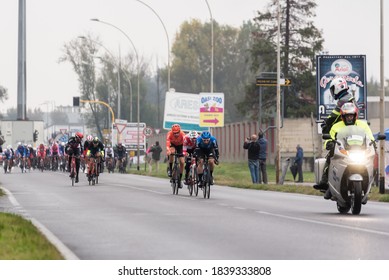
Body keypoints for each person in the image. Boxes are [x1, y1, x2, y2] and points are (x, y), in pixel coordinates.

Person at [314, 102, 375, 199]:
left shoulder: (363, 125)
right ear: (343, 116)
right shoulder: (336, 126)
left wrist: (373, 143)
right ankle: (326, 182)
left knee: (371, 161)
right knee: (330, 157)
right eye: (347, 116)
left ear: (355, 115)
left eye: (351, 116)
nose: (349, 118)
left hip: (359, 151)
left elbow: (370, 138)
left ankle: (370, 183)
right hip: (343, 151)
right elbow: (330, 138)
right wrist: (329, 143)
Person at [166, 124, 186, 188]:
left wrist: (185, 152)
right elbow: (167, 143)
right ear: (172, 131)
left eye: (177, 133)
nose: (176, 134)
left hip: (180, 146)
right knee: (172, 152)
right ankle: (170, 169)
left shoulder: (183, 134)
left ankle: (179, 179)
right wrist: (168, 150)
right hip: (173, 145)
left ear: (179, 131)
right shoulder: (169, 134)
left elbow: (185, 144)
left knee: (182, 162)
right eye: (174, 133)